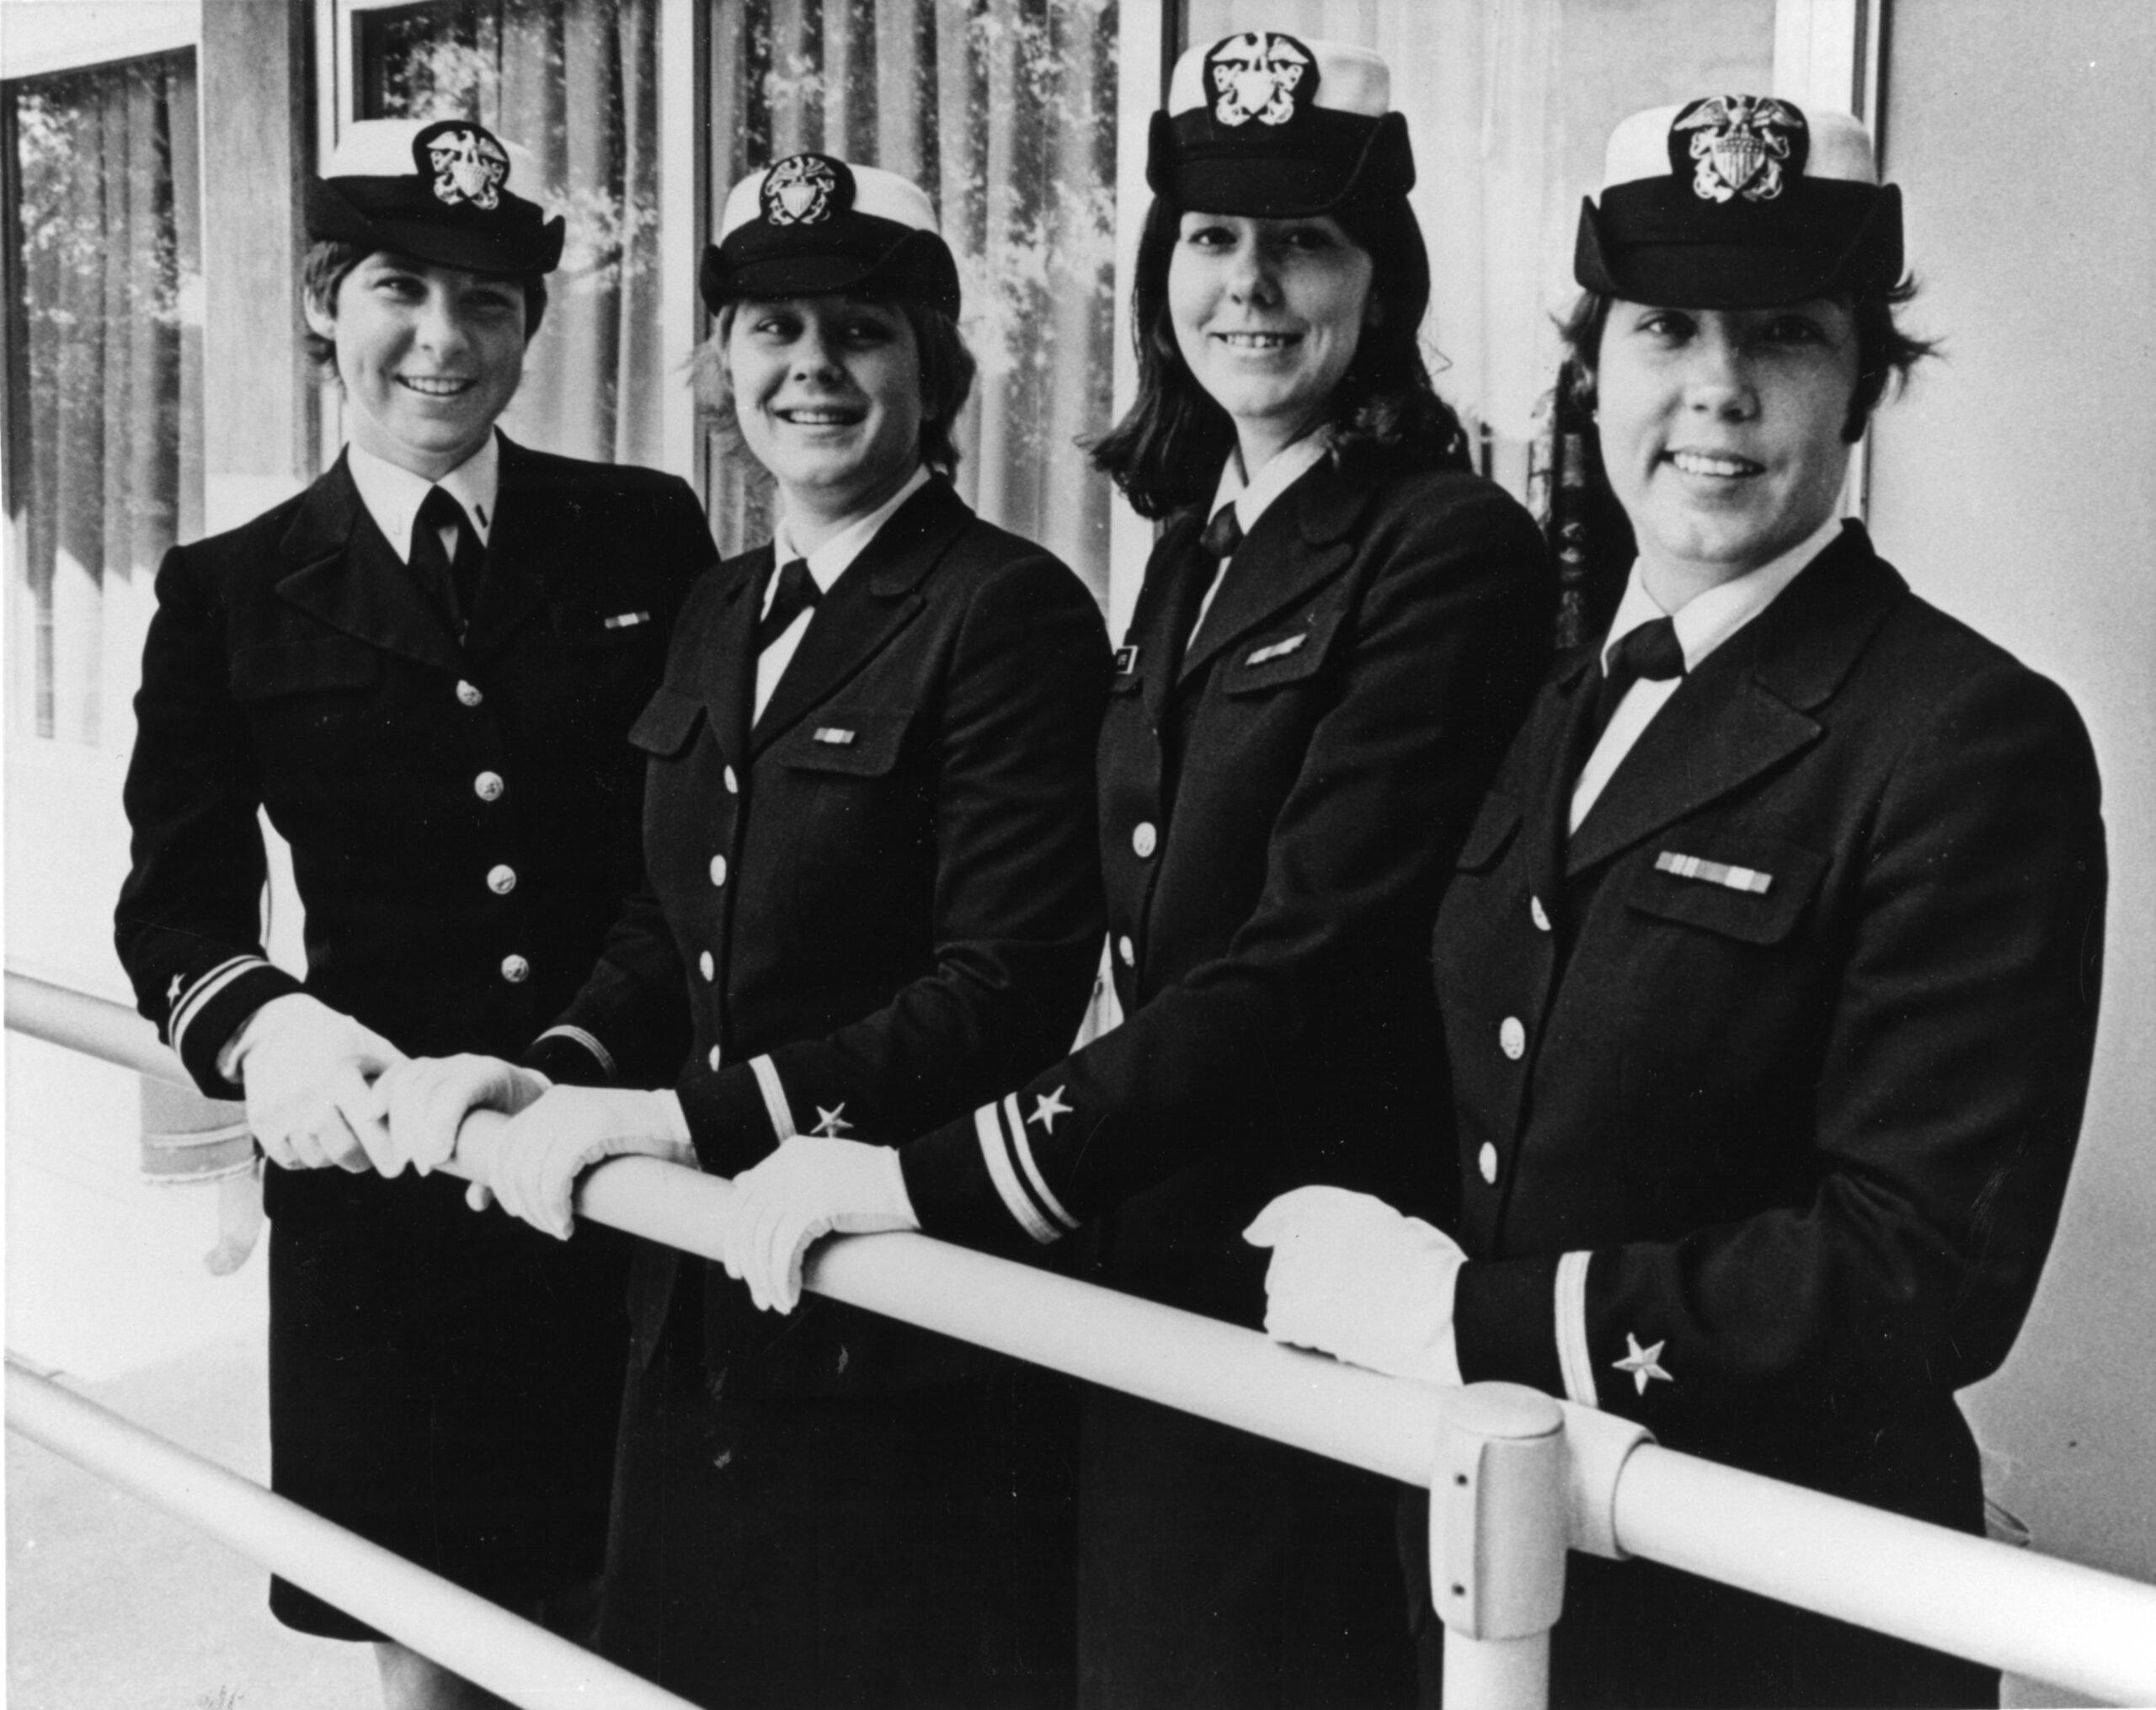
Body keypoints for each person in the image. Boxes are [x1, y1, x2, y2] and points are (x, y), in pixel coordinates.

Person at [717, 36, 1554, 1709]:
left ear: (1378, 280)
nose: (1248, 282)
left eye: (1302, 238)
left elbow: (1301, 962)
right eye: (1207, 235)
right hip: (1148, 1243)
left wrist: (926, 1171)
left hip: (1299, 1264)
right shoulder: (1199, 539)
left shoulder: (1442, 543)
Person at [1246, 95, 2108, 1708]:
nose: (1715, 389)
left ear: (1869, 384)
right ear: (1595, 370)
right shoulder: (1566, 701)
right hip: (1512, 1578)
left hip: (1775, 1617)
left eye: (1784, 333)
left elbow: (1921, 1275)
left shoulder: (1963, 736)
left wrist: (1470, 1321)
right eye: (1664, 330)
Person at [383, 152, 1108, 1707]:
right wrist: (558, 1067)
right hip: (698, 1312)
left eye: (860, 331)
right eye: (773, 331)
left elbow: (1007, 986)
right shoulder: (719, 605)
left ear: (935, 364)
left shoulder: (1008, 610)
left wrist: (670, 1117)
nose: (812, 371)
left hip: (899, 1327)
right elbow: (672, 915)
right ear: (722, 365)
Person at [113, 120, 719, 1708]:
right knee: (430, 1650)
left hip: (615, 1166)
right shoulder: (230, 588)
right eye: (402, 288)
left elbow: (697, 859)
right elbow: (173, 905)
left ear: (531, 324)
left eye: (490, 301)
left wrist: (589, 1061)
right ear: (329, 296)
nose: (443, 341)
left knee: (637, 1624)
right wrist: (265, 1024)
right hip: (385, 1208)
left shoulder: (646, 533)